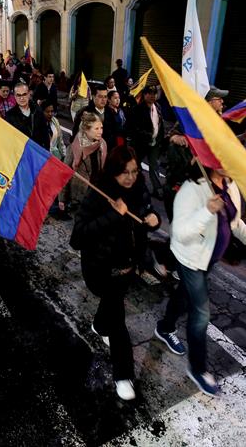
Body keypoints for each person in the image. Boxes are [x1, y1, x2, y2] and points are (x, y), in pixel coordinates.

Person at [154, 164, 246, 396]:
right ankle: (198, 369)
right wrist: (206, 211)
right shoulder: (191, 189)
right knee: (200, 313)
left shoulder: (229, 184)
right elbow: (180, 232)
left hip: (208, 260)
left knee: (183, 295)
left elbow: (233, 222)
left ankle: (165, 327)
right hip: (190, 259)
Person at [70, 146, 160, 401]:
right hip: (101, 271)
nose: (130, 178)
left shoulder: (139, 189)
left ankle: (99, 327)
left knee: (110, 314)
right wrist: (111, 214)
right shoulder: (98, 195)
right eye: (124, 173)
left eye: (134, 172)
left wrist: (154, 219)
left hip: (128, 268)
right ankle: (123, 376)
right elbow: (77, 238)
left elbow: (145, 213)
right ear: (112, 173)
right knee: (118, 323)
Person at [60, 112, 107, 210]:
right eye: (96, 129)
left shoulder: (102, 144)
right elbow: (65, 173)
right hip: (80, 195)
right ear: (86, 130)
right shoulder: (75, 147)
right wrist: (62, 199)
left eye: (101, 128)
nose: (100, 132)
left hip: (96, 192)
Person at [131, 86, 165, 198]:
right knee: (136, 166)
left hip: (155, 143)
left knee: (154, 166)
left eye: (154, 93)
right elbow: (134, 128)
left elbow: (160, 125)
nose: (152, 96)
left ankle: (157, 189)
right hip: (141, 144)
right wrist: (147, 135)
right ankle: (136, 188)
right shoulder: (137, 109)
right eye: (149, 93)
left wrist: (162, 138)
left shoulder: (158, 107)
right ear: (144, 95)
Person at [6, 83, 49, 149]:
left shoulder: (38, 111)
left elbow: (45, 136)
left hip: (38, 153)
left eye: (24, 94)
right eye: (18, 95)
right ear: (14, 96)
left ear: (29, 94)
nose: (22, 98)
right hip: (21, 154)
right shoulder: (10, 115)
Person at [76, 85, 118, 151]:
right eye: (100, 96)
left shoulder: (110, 112)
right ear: (93, 96)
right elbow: (77, 133)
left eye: (105, 97)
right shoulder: (85, 112)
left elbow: (114, 133)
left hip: (106, 150)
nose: (103, 100)